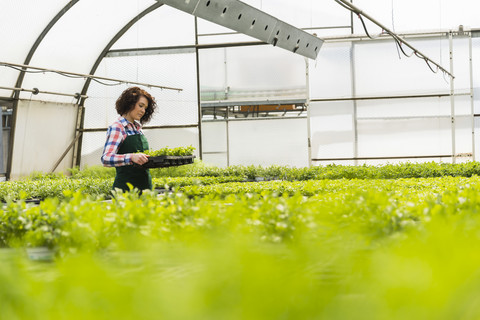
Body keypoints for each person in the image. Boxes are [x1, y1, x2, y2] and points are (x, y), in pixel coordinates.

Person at [101, 86, 157, 192]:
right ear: (130, 104)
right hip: (125, 190)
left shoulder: (137, 128)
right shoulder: (118, 127)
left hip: (145, 188)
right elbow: (106, 159)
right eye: (140, 106)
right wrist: (131, 157)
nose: (143, 110)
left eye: (145, 108)